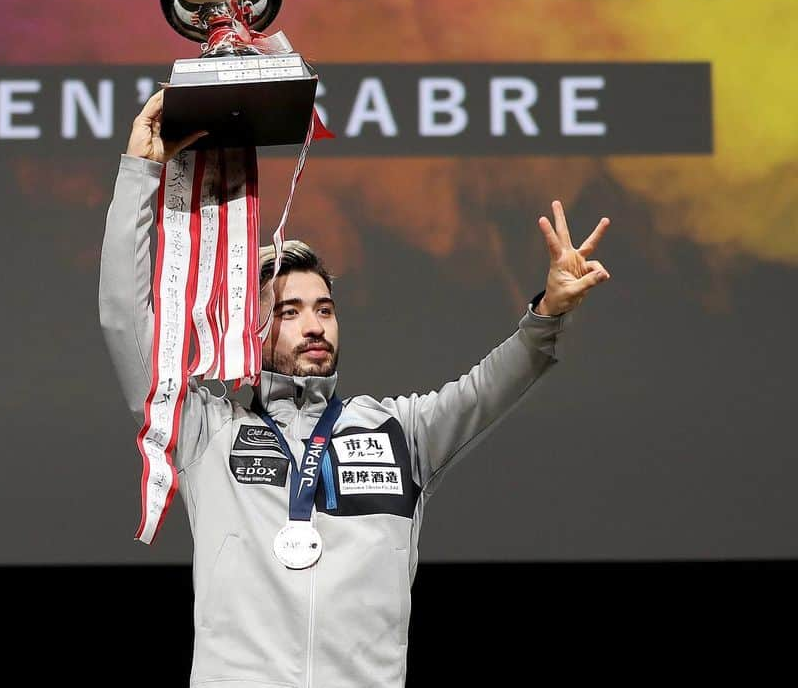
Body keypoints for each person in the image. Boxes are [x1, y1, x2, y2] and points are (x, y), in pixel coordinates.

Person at [99, 89, 611, 688]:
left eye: (324, 308)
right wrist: (140, 174)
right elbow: (126, 319)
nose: (315, 325)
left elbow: (487, 388)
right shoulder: (206, 429)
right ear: (250, 327)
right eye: (289, 312)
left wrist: (547, 310)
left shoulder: (400, 431)